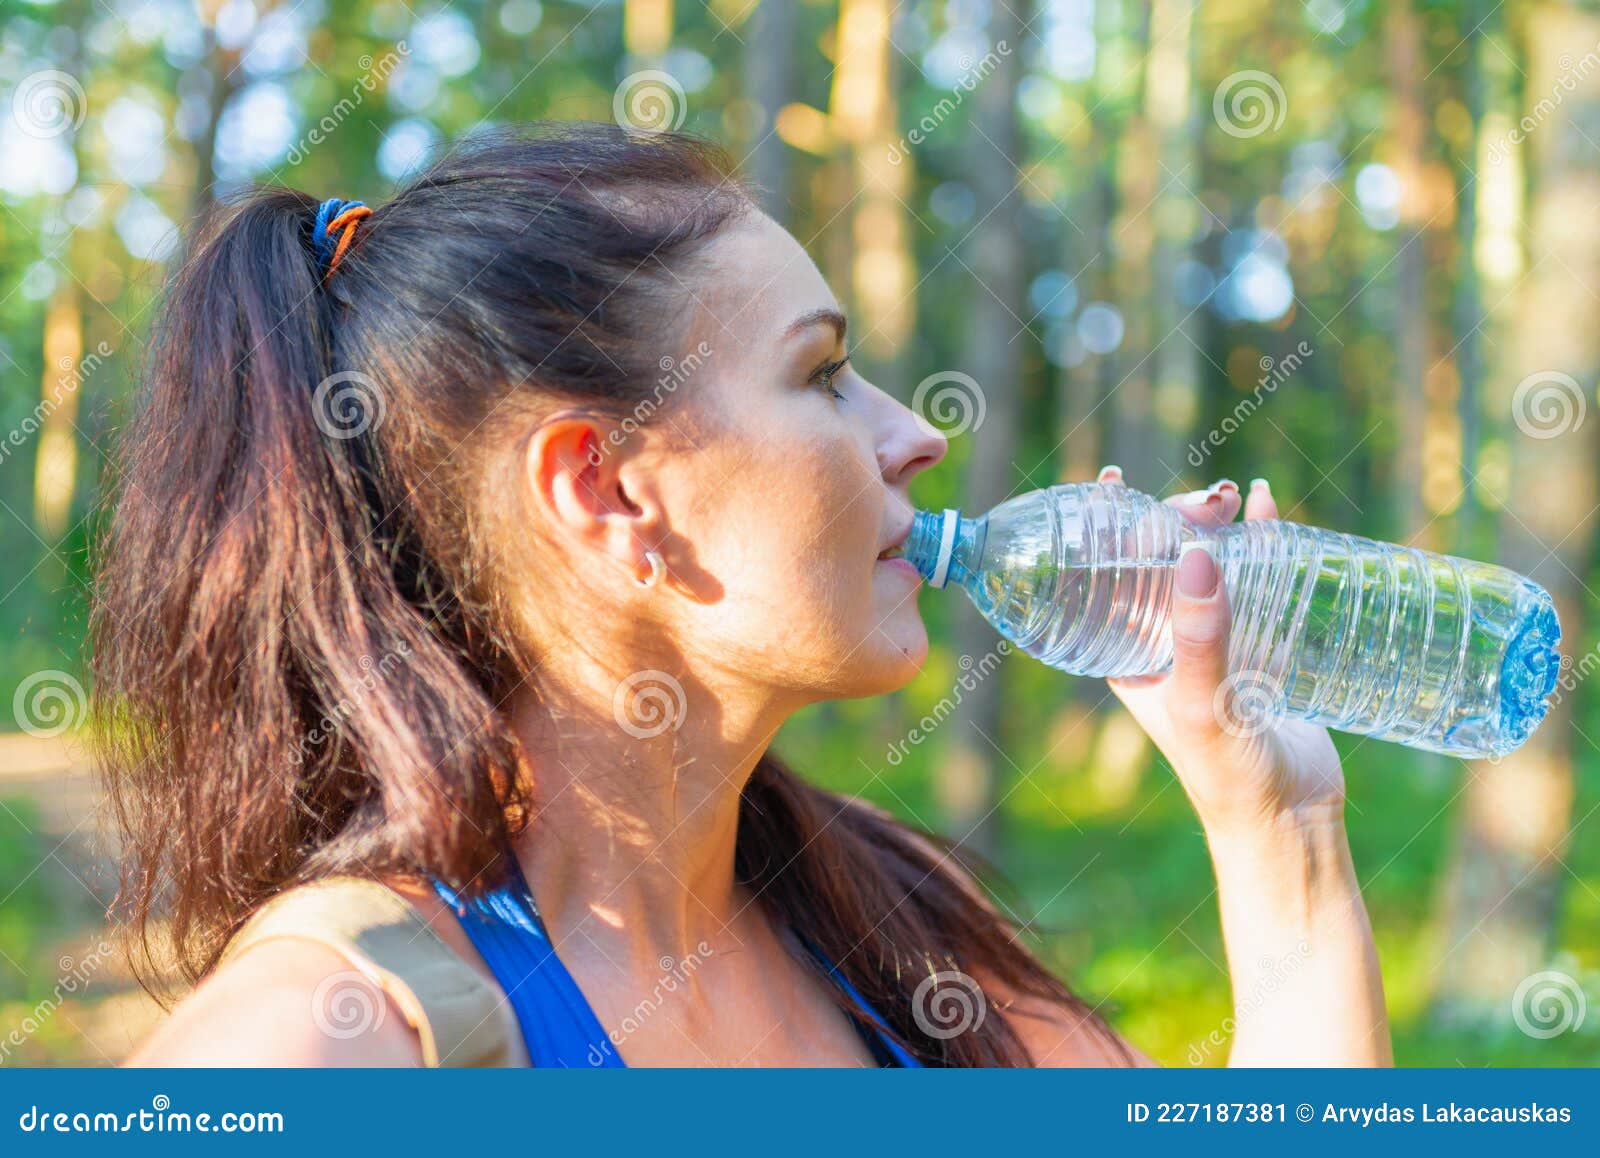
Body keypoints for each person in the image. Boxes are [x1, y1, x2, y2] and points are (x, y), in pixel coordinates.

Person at [96, 122, 1389, 1067]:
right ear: (604, 490)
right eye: (821, 374)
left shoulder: (893, 933)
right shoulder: (335, 1039)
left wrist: (1282, 830)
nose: (913, 434)